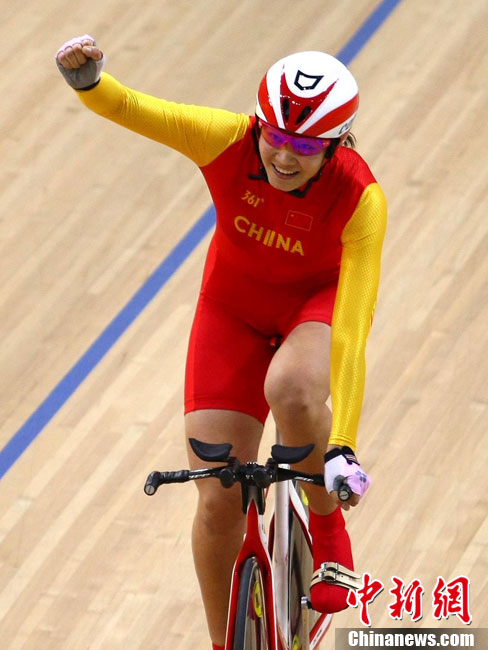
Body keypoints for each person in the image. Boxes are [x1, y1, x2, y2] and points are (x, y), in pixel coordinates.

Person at [56, 35, 387, 650]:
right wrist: (90, 82)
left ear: (337, 144)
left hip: (313, 309)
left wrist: (343, 445)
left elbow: (351, 332)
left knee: (292, 389)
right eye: (276, 137)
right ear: (258, 124)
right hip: (232, 311)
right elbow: (131, 107)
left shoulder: (361, 198)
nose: (284, 156)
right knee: (216, 503)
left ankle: (327, 528)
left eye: (305, 146)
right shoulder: (227, 139)